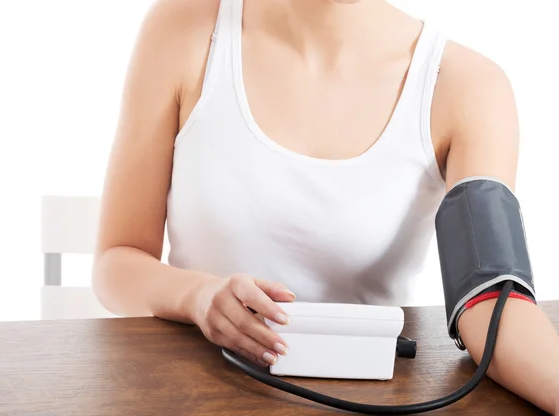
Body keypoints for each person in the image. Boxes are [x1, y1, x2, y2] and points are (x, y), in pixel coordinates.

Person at [91, 0, 559, 413]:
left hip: (367, 397)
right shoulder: (186, 29)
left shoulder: (469, 85)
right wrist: (196, 297)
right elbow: (117, 261)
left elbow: (492, 304)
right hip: (187, 390)